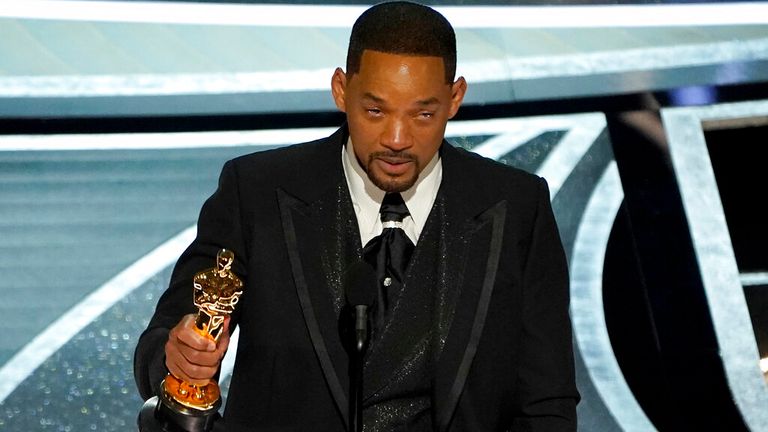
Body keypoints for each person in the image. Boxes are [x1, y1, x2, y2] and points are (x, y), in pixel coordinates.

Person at [134, 2, 579, 431]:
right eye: (376, 111)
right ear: (341, 91)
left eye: (424, 113)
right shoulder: (255, 192)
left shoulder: (517, 206)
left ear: (455, 98)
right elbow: (161, 343)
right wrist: (178, 360)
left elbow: (547, 401)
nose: (398, 139)